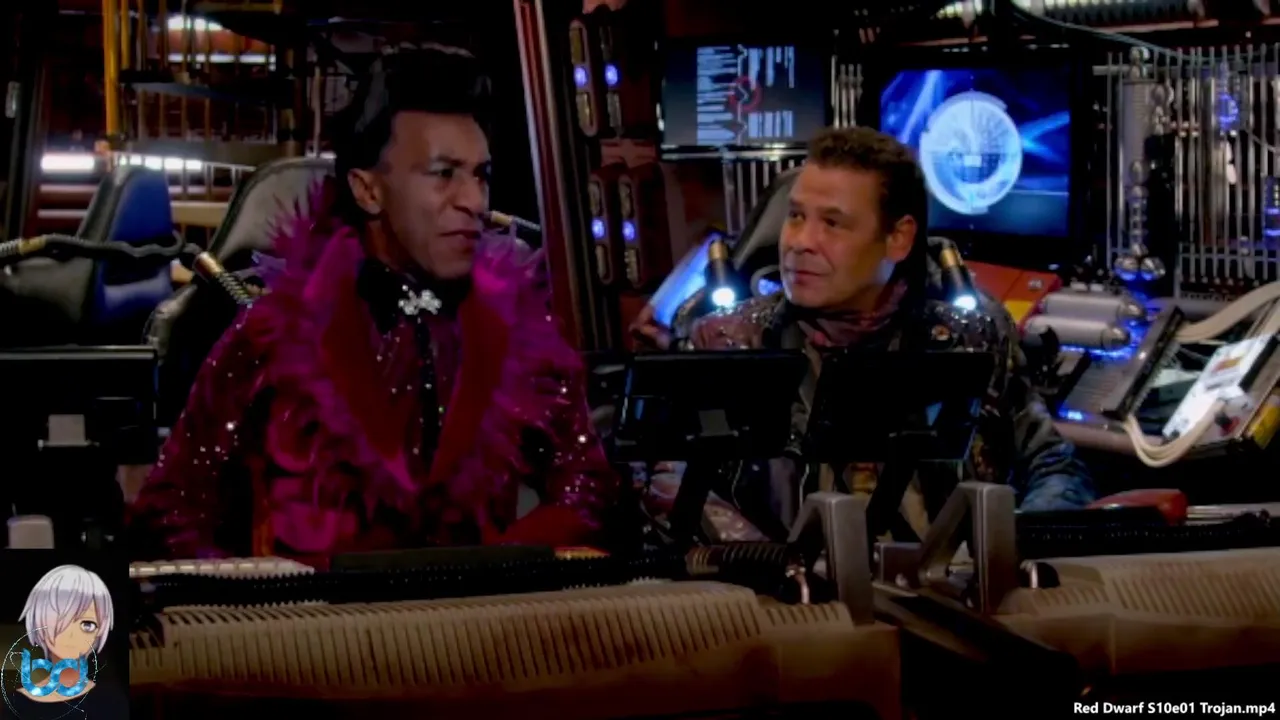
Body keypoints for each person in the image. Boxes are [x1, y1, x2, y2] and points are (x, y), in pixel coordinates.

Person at [129, 47, 618, 560]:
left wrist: (497, 570)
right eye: (444, 174)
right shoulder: (273, 335)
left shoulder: (521, 331)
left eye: (481, 175)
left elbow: (588, 490)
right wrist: (262, 600)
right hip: (313, 611)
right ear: (367, 190)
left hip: (485, 608)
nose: (474, 201)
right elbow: (172, 510)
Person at [634, 127, 1093, 538]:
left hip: (951, 591)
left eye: (832, 223)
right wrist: (769, 568)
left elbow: (1053, 465)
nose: (800, 243)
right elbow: (669, 481)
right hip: (786, 599)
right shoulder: (728, 342)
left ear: (898, 238)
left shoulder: (972, 337)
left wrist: (1008, 549)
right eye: (796, 216)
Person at [3, 565, 126, 719]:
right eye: (61, 621)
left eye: (87, 624)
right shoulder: (16, 704)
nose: (72, 635)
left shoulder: (113, 701)